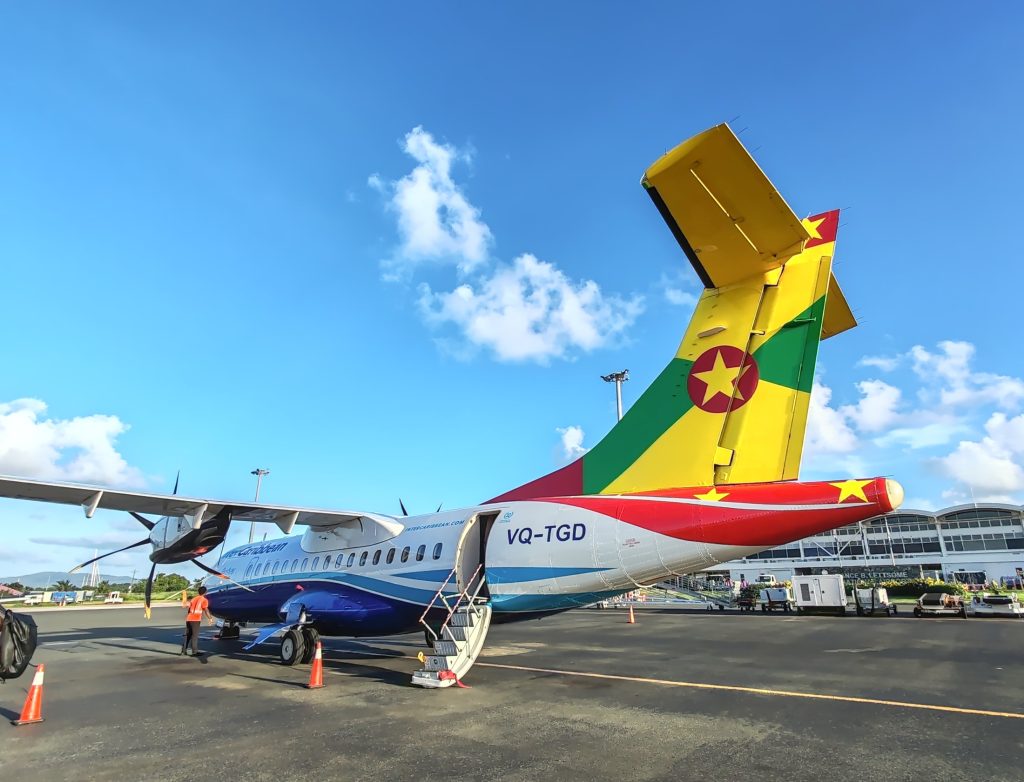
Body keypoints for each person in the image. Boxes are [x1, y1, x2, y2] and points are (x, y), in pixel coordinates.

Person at [181, 586, 213, 657]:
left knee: (188, 635)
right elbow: (206, 610)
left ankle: (184, 650)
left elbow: (188, 607)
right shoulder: (204, 600)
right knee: (194, 636)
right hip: (196, 619)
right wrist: (210, 618)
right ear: (205, 592)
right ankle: (194, 652)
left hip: (189, 618)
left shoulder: (193, 599)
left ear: (198, 592)